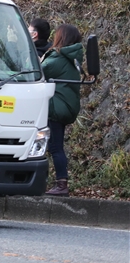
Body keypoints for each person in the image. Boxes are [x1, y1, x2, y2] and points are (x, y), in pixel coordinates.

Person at [41, 24, 84, 197]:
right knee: (55, 146)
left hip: (56, 108)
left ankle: (61, 184)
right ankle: (57, 182)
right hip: (65, 106)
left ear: (62, 37)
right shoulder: (72, 58)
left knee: (55, 147)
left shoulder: (58, 58)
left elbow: (36, 71)